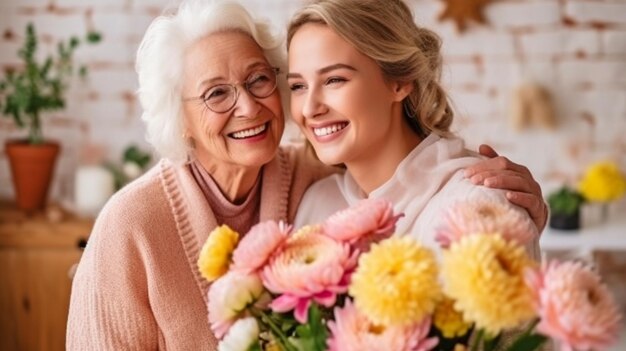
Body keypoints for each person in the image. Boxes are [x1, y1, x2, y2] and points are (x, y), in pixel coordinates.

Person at [67, 0, 545, 349]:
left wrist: (520, 212)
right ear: (180, 117)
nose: (250, 106)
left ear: (400, 80)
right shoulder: (131, 223)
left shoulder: (311, 178)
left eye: (261, 80)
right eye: (216, 94)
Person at [287, 0, 546, 255]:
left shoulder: (477, 208)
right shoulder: (317, 204)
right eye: (298, 86)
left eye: (334, 80)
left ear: (399, 82)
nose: (310, 108)